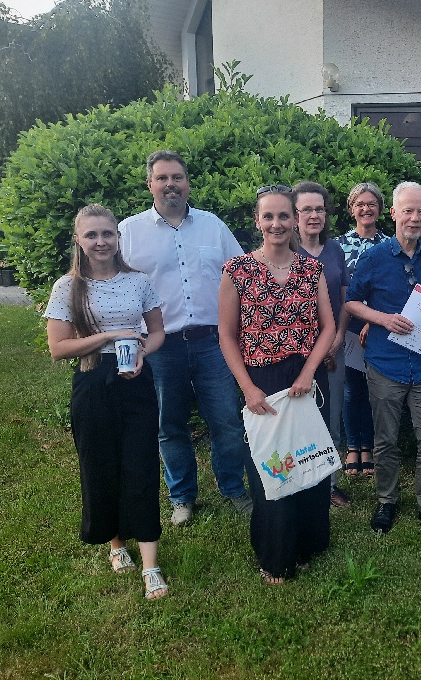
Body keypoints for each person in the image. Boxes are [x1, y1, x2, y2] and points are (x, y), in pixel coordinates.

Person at [118, 150, 252, 526]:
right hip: (161, 347)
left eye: (177, 177)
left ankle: (232, 488)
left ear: (188, 183)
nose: (170, 184)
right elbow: (115, 287)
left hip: (214, 343)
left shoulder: (213, 227)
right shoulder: (129, 232)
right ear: (150, 185)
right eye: (162, 178)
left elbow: (243, 278)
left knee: (226, 421)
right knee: (169, 424)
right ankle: (182, 496)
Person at [44, 204, 168, 600]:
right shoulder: (68, 287)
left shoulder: (139, 281)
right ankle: (116, 545)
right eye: (92, 235)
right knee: (101, 466)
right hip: (92, 382)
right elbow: (58, 348)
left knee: (142, 466)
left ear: (118, 237)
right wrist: (109, 336)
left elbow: (158, 332)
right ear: (78, 240)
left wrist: (144, 353)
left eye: (107, 234)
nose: (101, 242)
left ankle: (151, 566)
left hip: (137, 381)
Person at [218, 185, 336, 585]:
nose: (277, 224)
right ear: (257, 221)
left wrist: (308, 373)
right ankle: (276, 555)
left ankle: (309, 543)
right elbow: (226, 335)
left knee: (308, 460)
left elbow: (329, 326)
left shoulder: (311, 270)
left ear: (295, 220)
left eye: (284, 216)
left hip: (306, 377)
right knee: (272, 469)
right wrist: (248, 388)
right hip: (261, 381)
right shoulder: (238, 270)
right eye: (268, 216)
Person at [345, 182, 421, 538]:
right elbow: (351, 302)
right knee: (386, 439)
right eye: (407, 210)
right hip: (385, 362)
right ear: (393, 213)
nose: (414, 218)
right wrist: (381, 319)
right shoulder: (374, 257)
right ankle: (387, 500)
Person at [292, 181, 351, 508]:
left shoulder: (335, 251)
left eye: (319, 209)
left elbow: (344, 299)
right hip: (296, 352)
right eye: (306, 210)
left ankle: (329, 485)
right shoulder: (287, 253)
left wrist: (338, 337)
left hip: (333, 348)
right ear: (295, 215)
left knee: (331, 417)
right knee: (299, 418)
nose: (314, 215)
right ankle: (302, 483)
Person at [336, 182, 388, 477]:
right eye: (360, 204)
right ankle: (352, 446)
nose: (366, 209)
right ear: (351, 209)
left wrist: (372, 319)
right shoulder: (338, 246)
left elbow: (390, 289)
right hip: (349, 326)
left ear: (380, 209)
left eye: (371, 203)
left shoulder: (390, 245)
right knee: (350, 390)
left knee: (375, 390)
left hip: (379, 324)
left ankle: (369, 446)